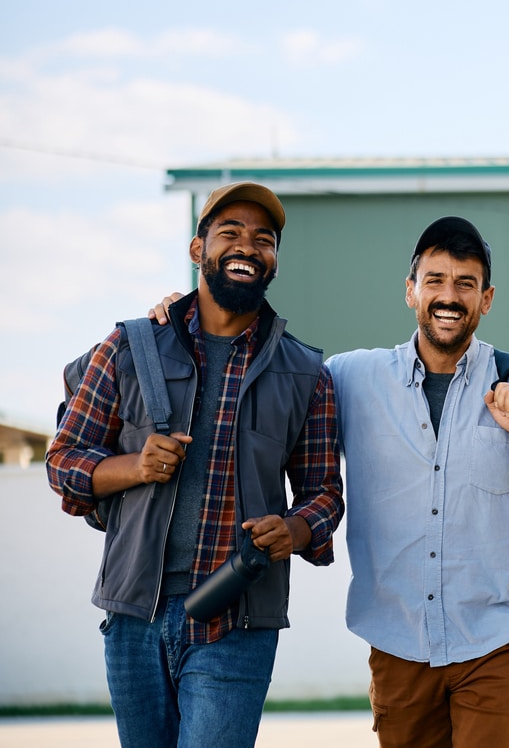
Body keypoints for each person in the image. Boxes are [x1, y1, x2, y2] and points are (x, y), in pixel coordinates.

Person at [151, 214, 509, 747]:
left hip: (499, 640)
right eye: (435, 280)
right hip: (398, 645)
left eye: (465, 284)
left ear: (486, 299)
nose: (449, 296)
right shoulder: (352, 378)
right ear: (410, 291)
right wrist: (188, 318)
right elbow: (268, 374)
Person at [48, 181, 344, 748]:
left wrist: (296, 527)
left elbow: (325, 493)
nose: (247, 247)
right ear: (196, 250)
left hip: (237, 618)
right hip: (134, 616)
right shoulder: (128, 348)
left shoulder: (308, 374)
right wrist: (135, 466)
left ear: (274, 261)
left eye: (264, 239)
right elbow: (63, 459)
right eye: (229, 233)